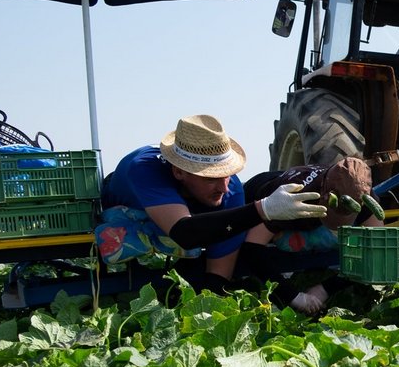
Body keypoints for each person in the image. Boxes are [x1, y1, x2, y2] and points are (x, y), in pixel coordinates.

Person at [97, 114, 326, 293]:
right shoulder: (145, 169)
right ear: (178, 171)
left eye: (226, 175)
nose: (223, 187)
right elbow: (184, 233)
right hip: (131, 207)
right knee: (147, 233)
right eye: (210, 178)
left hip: (188, 219)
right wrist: (263, 209)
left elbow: (218, 276)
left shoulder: (231, 188)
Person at [239, 157, 385, 313]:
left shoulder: (362, 193)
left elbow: (377, 250)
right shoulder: (292, 193)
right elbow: (252, 249)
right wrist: (293, 297)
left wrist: (325, 288)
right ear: (324, 193)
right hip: (257, 192)